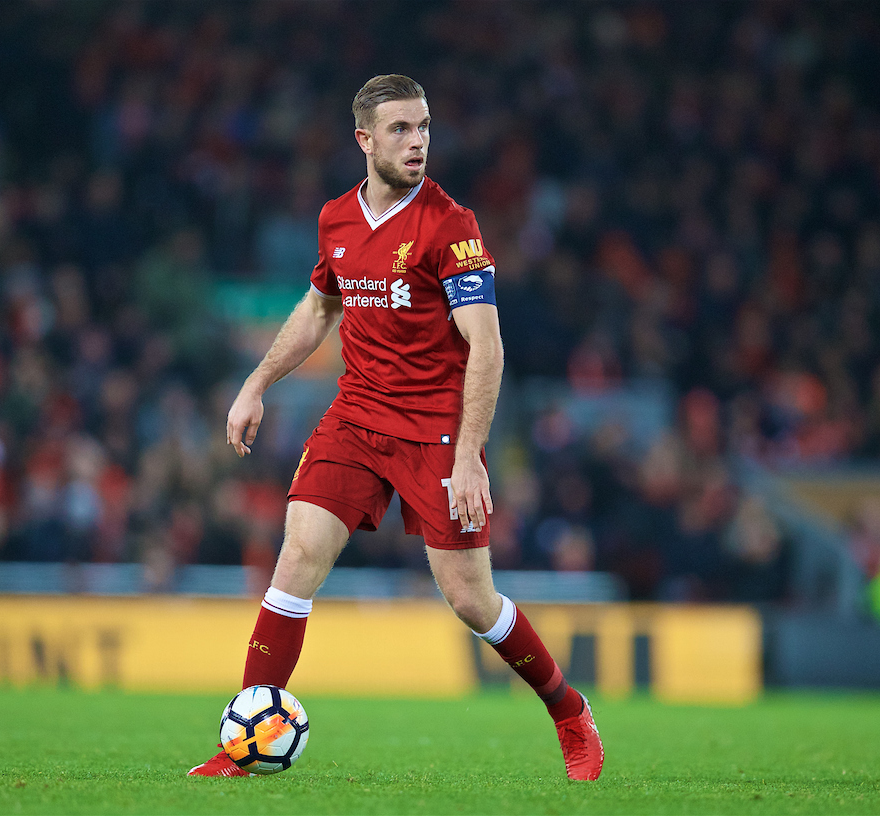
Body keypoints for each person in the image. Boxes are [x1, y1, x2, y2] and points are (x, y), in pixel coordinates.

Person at [188, 75, 603, 781]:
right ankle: (246, 741)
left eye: (424, 128)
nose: (417, 143)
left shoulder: (451, 225)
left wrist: (471, 455)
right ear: (365, 140)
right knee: (294, 562)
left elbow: (488, 346)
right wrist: (256, 384)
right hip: (356, 414)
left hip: (435, 429)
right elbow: (320, 309)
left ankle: (568, 710)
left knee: (470, 598)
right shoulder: (336, 220)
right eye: (401, 130)